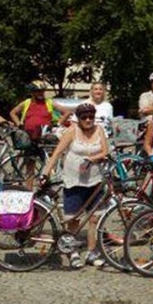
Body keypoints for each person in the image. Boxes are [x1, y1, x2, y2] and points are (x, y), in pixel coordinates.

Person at [41, 103, 110, 268]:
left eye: (91, 117)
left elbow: (105, 152)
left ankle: (92, 252)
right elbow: (57, 153)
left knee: (94, 218)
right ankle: (73, 253)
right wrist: (45, 173)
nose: (88, 120)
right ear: (78, 119)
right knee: (73, 220)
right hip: (74, 181)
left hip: (95, 180)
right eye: (84, 117)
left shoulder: (99, 130)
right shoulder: (72, 131)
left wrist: (92, 159)